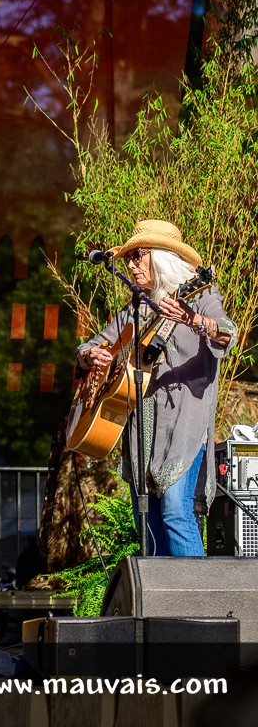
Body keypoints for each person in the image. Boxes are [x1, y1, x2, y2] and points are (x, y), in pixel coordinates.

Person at [77, 219, 234, 556]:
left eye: (139, 256)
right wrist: (92, 357)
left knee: (176, 512)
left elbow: (227, 332)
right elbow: (90, 347)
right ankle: (164, 607)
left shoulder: (200, 293)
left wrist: (193, 320)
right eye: (129, 259)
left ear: (162, 257)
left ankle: (198, 606)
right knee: (145, 524)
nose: (131, 266)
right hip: (141, 430)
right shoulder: (135, 310)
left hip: (184, 424)